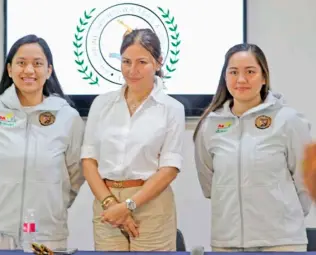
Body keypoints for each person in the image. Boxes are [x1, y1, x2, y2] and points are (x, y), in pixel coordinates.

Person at [0, 34, 85, 250]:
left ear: (49, 70)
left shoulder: (68, 117)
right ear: (10, 69)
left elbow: (76, 174)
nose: (29, 70)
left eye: (37, 64)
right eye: (21, 63)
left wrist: (54, 203)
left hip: (46, 235)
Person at [193, 43, 312, 252]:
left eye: (250, 71)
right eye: (233, 72)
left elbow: (305, 181)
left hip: (281, 243)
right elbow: (209, 183)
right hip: (227, 243)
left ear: (264, 77)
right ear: (225, 77)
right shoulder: (209, 125)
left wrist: (285, 217)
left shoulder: (288, 120)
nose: (241, 79)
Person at [81, 28, 185, 251]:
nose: (132, 70)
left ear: (158, 63)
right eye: (126, 61)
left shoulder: (172, 109)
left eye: (142, 62)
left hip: (151, 203)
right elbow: (88, 161)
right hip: (106, 204)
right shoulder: (102, 104)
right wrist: (112, 205)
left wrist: (129, 205)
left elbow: (169, 169)